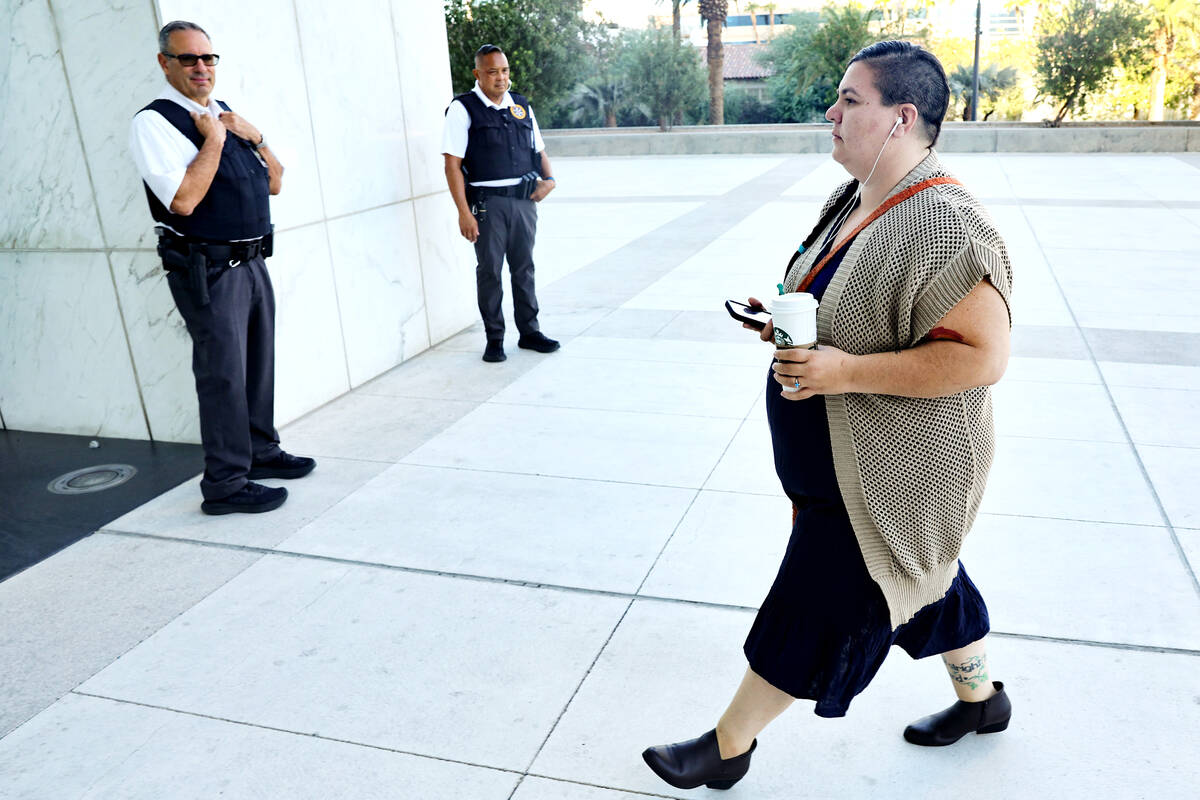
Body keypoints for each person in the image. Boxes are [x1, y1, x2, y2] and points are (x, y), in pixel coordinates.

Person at [641, 41, 1014, 792]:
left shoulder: (945, 224)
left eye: (850, 100)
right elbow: (847, 306)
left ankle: (728, 745)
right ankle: (983, 702)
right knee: (927, 583)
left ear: (901, 117)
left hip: (893, 476)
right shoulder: (858, 197)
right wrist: (781, 324)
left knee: (819, 601)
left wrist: (843, 370)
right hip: (838, 469)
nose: (830, 112)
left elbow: (983, 355)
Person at [129, 21, 315, 516]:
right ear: (164, 62)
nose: (201, 67)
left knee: (256, 366)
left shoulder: (226, 114)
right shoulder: (155, 123)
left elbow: (274, 182)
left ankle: (260, 451)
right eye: (188, 58)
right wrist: (212, 140)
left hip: (251, 261)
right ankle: (226, 483)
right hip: (207, 270)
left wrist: (254, 136)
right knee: (223, 376)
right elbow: (183, 200)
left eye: (208, 58)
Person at [441, 44, 560, 363]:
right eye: (492, 72)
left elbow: (539, 148)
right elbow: (452, 164)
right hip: (487, 206)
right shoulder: (462, 108)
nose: (500, 78)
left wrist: (549, 181)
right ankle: (495, 338)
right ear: (477, 74)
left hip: (524, 203)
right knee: (490, 272)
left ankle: (530, 332)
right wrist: (463, 213)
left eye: (504, 70)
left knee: (524, 269)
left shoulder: (521, 105)